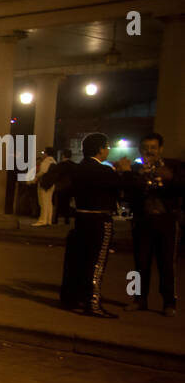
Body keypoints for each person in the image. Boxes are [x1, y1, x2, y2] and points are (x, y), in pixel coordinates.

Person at [59, 133, 121, 317]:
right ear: (100, 149)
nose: (108, 150)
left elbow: (63, 193)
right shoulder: (105, 171)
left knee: (80, 261)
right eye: (107, 147)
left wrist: (70, 212)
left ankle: (74, 298)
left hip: (81, 219)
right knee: (96, 263)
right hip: (99, 220)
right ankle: (92, 302)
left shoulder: (76, 170)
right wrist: (125, 172)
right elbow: (120, 189)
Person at [124, 132, 180, 315]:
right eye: (146, 148)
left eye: (153, 148)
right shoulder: (134, 169)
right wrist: (138, 178)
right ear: (140, 149)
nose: (149, 151)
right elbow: (128, 194)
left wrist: (169, 178)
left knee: (166, 263)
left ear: (160, 149)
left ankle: (169, 302)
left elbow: (181, 187)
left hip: (166, 220)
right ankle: (138, 299)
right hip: (143, 221)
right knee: (140, 263)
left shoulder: (173, 167)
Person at [32, 146, 58, 226]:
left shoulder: (46, 161)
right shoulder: (54, 161)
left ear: (47, 153)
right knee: (49, 203)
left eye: (44, 152)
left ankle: (42, 220)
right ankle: (48, 220)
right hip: (51, 185)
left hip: (44, 184)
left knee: (43, 203)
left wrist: (35, 178)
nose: (43, 154)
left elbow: (42, 172)